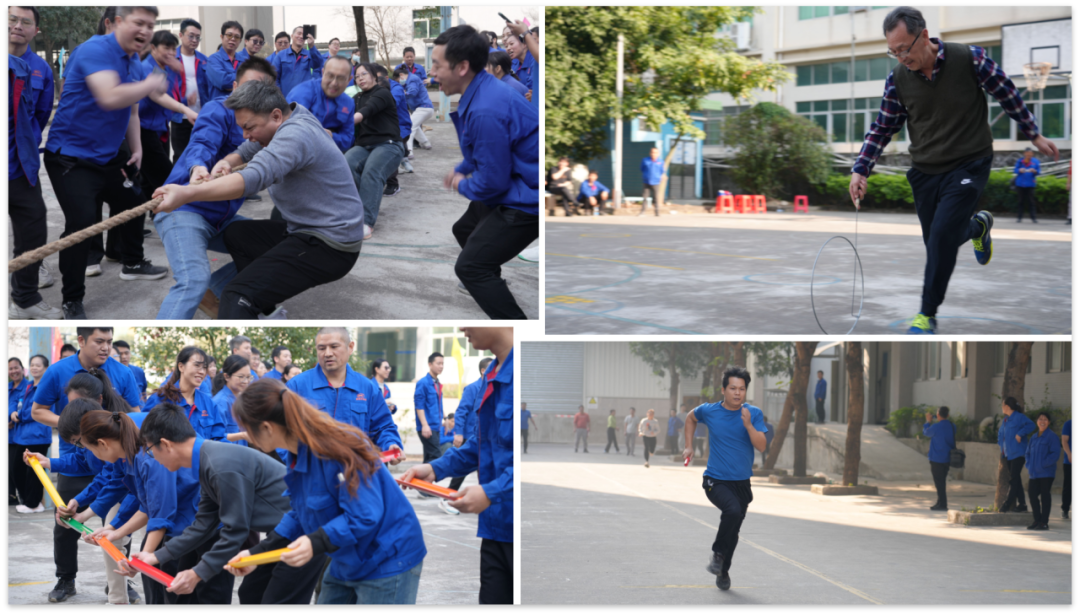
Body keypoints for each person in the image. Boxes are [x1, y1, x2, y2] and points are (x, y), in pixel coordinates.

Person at [848, 7, 1057, 334]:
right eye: (893, 52)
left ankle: (926, 315)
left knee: (942, 236)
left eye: (904, 49)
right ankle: (978, 227)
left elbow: (1007, 92)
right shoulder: (897, 80)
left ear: (924, 35)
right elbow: (883, 127)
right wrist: (861, 169)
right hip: (925, 170)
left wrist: (1034, 133)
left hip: (969, 162)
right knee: (937, 241)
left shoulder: (970, 59)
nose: (901, 57)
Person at [153, 79, 366, 319]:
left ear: (276, 115)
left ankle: (246, 302)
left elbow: (252, 178)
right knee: (238, 234)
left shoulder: (295, 134)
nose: (246, 136)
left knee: (236, 296)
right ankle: (258, 300)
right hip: (306, 229)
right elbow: (244, 150)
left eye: (250, 127)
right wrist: (226, 162)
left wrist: (186, 193)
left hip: (330, 244)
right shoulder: (291, 115)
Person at [224, 379, 426, 605]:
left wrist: (315, 542)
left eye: (246, 429)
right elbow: (300, 514)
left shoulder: (339, 447)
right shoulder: (296, 454)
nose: (245, 436)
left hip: (387, 555)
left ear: (267, 428)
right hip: (348, 556)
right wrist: (257, 554)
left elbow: (365, 515)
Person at [44, 5, 172, 319]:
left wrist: (137, 149)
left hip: (109, 155)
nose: (145, 31)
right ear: (116, 23)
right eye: (138, 23)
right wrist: (153, 82)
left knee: (134, 201)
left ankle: (132, 262)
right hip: (70, 157)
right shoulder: (93, 50)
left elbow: (132, 110)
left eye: (150, 25)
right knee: (82, 223)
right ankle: (72, 299)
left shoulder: (133, 61)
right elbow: (110, 96)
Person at [132, 403, 326, 604]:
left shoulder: (219, 466)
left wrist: (197, 573)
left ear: (165, 444)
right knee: (251, 594)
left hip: (307, 531)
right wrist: (155, 557)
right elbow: (203, 524)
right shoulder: (208, 460)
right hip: (283, 533)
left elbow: (235, 530)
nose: (152, 458)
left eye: (149, 450)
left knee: (276, 600)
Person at [154, 56, 278, 320]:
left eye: (261, 92)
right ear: (234, 87)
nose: (253, 98)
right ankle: (197, 296)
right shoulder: (218, 110)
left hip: (223, 218)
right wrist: (197, 167)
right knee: (193, 280)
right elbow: (201, 143)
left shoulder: (268, 124)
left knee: (277, 249)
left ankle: (215, 290)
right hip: (184, 209)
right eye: (248, 88)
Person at [432, 25, 539, 320]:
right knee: (464, 229)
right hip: (515, 180)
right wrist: (462, 169)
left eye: (437, 65)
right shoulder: (482, 91)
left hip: (528, 198)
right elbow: (481, 152)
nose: (432, 73)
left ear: (462, 67)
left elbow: (492, 183)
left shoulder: (485, 109)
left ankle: (516, 327)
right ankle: (491, 281)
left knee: (470, 267)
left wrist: (461, 183)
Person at [29, 329, 143, 603]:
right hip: (95, 473)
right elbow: (106, 476)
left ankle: (120, 584)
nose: (105, 347)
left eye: (109, 342)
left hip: (155, 494)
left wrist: (116, 526)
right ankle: (68, 579)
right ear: (81, 340)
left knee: (118, 534)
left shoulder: (130, 442)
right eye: (99, 341)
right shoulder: (59, 372)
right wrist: (83, 509)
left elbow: (138, 496)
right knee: (75, 525)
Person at [401, 327, 514, 604]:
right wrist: (435, 468)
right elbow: (482, 444)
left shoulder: (526, 371)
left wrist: (491, 491)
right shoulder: (490, 376)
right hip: (494, 526)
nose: (463, 327)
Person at [684, 367, 767, 591]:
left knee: (733, 530)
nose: (737, 393)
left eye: (742, 389)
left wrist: (748, 425)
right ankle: (718, 554)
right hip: (715, 480)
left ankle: (723, 570)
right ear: (723, 390)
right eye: (733, 388)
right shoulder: (709, 410)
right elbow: (690, 418)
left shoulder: (753, 413)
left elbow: (761, 446)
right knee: (731, 510)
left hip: (742, 483)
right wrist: (689, 446)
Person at [7, 5, 63, 319]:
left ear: (35, 30)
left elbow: (41, 116)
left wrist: (24, 144)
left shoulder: (40, 68)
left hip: (20, 167)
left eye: (25, 21)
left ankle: (24, 298)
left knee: (33, 229)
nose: (17, 26)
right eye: (12, 19)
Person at [286, 327, 403, 462]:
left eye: (334, 347)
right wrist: (298, 464)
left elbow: (383, 426)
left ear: (350, 347)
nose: (327, 353)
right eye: (322, 348)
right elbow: (279, 430)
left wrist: (390, 444)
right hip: (312, 472)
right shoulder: (297, 387)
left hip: (356, 470)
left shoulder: (367, 388)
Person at [345, 63, 405, 237]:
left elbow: (368, 110)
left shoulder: (382, 93)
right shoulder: (356, 98)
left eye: (364, 74)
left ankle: (366, 222)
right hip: (364, 146)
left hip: (389, 144)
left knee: (372, 171)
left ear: (374, 76)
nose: (360, 78)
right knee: (346, 164)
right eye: (357, 76)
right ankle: (355, 213)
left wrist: (347, 120)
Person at [138, 31, 196, 201]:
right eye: (166, 48)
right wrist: (185, 109)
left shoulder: (167, 68)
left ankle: (152, 211)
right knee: (166, 178)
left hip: (161, 129)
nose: (171, 52)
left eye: (173, 48)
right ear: (153, 48)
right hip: (143, 130)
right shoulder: (147, 67)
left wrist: (185, 100)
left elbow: (170, 95)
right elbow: (158, 96)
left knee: (148, 181)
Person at [143, 346, 226, 442]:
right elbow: (144, 437)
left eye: (204, 367)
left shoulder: (209, 404)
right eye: (197, 365)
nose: (202, 372)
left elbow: (219, 439)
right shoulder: (160, 399)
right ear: (181, 367)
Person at [286, 55, 355, 153]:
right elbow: (288, 128)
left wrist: (332, 136)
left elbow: (348, 139)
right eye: (330, 76)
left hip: (329, 152)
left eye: (341, 78)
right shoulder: (302, 92)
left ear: (349, 80)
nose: (334, 83)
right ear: (323, 73)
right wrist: (320, 135)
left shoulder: (349, 103)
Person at [171, 18, 210, 164]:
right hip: (179, 117)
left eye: (198, 37)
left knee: (200, 153)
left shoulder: (204, 60)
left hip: (200, 115)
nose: (194, 40)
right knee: (180, 155)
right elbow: (163, 88)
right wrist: (184, 100)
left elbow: (209, 87)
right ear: (181, 35)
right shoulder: (170, 58)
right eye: (191, 36)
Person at [8, 357, 44, 512]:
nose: (34, 367)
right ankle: (28, 501)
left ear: (45, 368)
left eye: (38, 365)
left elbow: (37, 409)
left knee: (34, 472)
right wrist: (12, 414)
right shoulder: (29, 385)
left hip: (37, 435)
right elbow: (14, 403)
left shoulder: (44, 386)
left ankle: (33, 503)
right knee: (16, 469)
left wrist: (19, 415)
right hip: (21, 436)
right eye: (32, 365)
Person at [998, 397, 1036, 512]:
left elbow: (1032, 425)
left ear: (1007, 406)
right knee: (1016, 479)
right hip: (1008, 454)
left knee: (1013, 479)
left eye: (1002, 405)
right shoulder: (1006, 420)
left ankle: (1007, 503)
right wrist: (1001, 447)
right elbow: (1001, 435)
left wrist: (1020, 433)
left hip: (1019, 453)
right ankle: (1022, 504)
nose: (1001, 407)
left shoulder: (1019, 417)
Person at [1024, 411, 1061, 530]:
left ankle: (1044, 522)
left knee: (1045, 496)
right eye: (1040, 419)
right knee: (1032, 495)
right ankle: (1037, 520)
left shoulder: (1052, 437)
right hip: (1033, 473)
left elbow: (1055, 454)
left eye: (1045, 419)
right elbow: (1027, 453)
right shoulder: (1034, 437)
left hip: (1046, 472)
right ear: (1037, 421)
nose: (1042, 421)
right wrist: (1029, 465)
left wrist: (1042, 465)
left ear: (1049, 422)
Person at [270, 25, 324, 96]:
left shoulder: (309, 54)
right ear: (292, 36)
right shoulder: (281, 55)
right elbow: (274, 77)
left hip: (304, 97)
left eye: (303, 35)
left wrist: (312, 46)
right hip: (285, 98)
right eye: (299, 33)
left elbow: (318, 64)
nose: (301, 36)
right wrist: (278, 95)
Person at [414, 352, 445, 476]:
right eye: (438, 363)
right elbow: (419, 405)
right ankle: (419, 482)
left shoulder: (437, 383)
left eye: (442, 364)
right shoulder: (423, 383)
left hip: (436, 426)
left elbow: (437, 405)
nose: (441, 366)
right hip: (428, 427)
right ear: (430, 364)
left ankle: (419, 484)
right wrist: (424, 425)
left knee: (429, 458)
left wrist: (444, 419)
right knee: (436, 456)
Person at [212, 354, 253, 447]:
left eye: (248, 377)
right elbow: (215, 437)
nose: (246, 381)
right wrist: (243, 435)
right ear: (227, 376)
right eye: (241, 376)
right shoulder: (220, 402)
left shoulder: (241, 398)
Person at [923, 406, 956, 511]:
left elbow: (926, 432)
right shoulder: (952, 426)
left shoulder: (936, 426)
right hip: (948, 458)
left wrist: (928, 422)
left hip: (937, 458)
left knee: (939, 482)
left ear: (937, 415)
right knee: (941, 481)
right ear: (948, 415)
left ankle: (942, 504)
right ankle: (940, 502)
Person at [386, 67, 413, 189]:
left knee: (392, 149)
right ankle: (403, 158)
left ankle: (393, 184)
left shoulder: (396, 88)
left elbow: (391, 103)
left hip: (401, 127)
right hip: (393, 127)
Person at [402, 62, 434, 157]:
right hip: (422, 108)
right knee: (414, 124)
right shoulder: (408, 80)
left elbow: (412, 92)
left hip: (424, 108)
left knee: (410, 126)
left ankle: (409, 151)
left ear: (401, 74)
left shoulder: (412, 79)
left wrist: (404, 94)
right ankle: (425, 142)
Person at [205, 20, 243, 101]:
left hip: (240, 106)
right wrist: (245, 80)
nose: (233, 39)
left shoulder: (244, 60)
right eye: (229, 35)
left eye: (237, 37)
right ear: (221, 37)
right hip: (220, 106)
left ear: (240, 41)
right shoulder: (213, 59)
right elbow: (223, 82)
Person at [1013, 147, 1040, 223]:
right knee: (1020, 201)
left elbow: (1038, 171)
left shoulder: (1035, 161)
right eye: (1027, 154)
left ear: (1032, 154)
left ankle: (1033, 218)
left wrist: (1034, 171)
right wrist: (1019, 170)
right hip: (1020, 184)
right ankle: (1019, 217)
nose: (1029, 155)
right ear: (1024, 153)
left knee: (1031, 202)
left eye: (1030, 154)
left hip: (1030, 184)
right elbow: (1015, 170)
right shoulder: (1020, 161)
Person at [639, 147, 665, 217]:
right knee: (645, 197)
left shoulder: (661, 162)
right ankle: (642, 211)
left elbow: (662, 171)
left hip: (656, 182)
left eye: (656, 152)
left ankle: (657, 212)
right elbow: (642, 168)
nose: (654, 154)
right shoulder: (645, 160)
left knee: (656, 198)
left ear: (658, 154)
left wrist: (661, 177)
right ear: (650, 153)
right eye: (652, 152)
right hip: (646, 181)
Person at [1061, 418, 1072, 519]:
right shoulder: (1068, 424)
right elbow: (1064, 441)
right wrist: (1069, 454)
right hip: (1069, 461)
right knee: (1068, 486)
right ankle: (1065, 509)